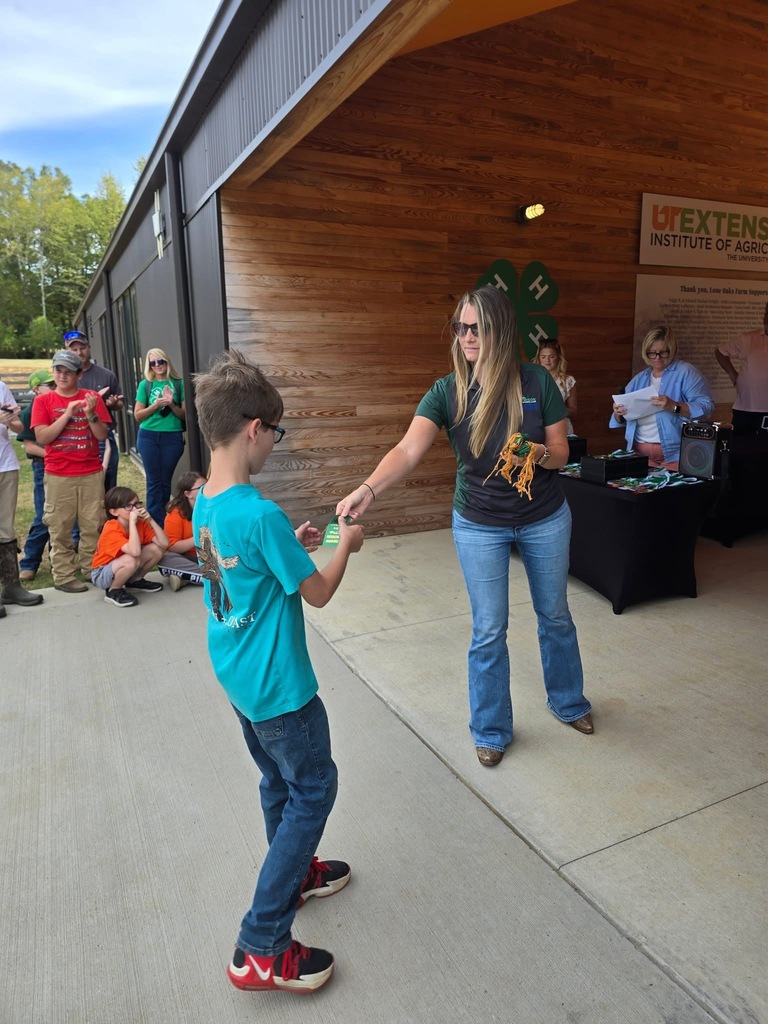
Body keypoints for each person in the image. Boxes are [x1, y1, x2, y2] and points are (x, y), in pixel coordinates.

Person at [337, 284, 593, 769]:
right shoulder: (448, 391)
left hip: (544, 518)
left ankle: (568, 701)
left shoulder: (537, 382)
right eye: (460, 327)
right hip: (479, 524)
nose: (466, 337)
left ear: (500, 330)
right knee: (489, 628)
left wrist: (538, 453)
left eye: (476, 327)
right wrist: (367, 490)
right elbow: (407, 450)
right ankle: (491, 729)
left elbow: (562, 453)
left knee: (555, 615)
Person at [192, 349, 364, 994]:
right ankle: (260, 946)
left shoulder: (209, 503)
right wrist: (343, 543)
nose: (274, 445)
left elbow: (240, 576)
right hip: (282, 692)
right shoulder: (256, 512)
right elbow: (316, 592)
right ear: (254, 429)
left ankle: (295, 874)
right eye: (276, 432)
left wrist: (291, 542)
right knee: (314, 788)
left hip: (241, 682)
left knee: (278, 784)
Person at [31, 351, 110, 594]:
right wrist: (67, 413)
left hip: (89, 472)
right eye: (58, 370)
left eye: (68, 371)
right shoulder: (43, 401)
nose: (62, 375)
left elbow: (101, 435)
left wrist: (90, 413)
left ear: (79, 374)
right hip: (58, 474)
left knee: (93, 524)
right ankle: (64, 575)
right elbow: (43, 437)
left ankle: (90, 569)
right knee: (60, 526)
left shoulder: (92, 397)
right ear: (53, 372)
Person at [611, 325, 715, 470]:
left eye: (663, 353)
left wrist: (674, 406)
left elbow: (706, 407)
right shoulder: (639, 379)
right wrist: (618, 413)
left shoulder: (686, 372)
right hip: (640, 454)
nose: (657, 358)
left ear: (671, 350)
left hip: (676, 454)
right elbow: (618, 420)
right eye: (652, 353)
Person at [0, 377, 44, 618]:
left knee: (6, 529)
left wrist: (12, 419)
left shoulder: (1, 387)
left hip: (5, 465)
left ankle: (11, 587)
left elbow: (17, 427)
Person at [63, 330, 124, 490]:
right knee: (82, 485)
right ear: (67, 351)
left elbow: (120, 405)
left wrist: (113, 403)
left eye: (82, 348)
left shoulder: (106, 375)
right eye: (73, 349)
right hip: (76, 435)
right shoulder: (64, 378)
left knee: (108, 481)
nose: (79, 352)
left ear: (89, 348)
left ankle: (109, 514)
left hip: (104, 435)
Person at [91, 486, 168, 607]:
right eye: (128, 506)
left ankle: (134, 582)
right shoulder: (112, 527)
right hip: (101, 573)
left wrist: (150, 520)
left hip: (126, 564)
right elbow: (135, 552)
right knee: (131, 559)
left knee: (156, 550)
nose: (135, 509)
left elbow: (164, 544)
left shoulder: (141, 523)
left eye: (137, 504)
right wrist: (132, 522)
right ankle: (113, 590)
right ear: (114, 512)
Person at [133, 348, 186, 525]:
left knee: (165, 480)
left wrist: (171, 405)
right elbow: (138, 415)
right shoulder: (145, 385)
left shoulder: (179, 384)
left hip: (172, 437)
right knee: (154, 481)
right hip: (148, 436)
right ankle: (156, 523)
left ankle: (162, 521)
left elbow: (185, 415)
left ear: (166, 362)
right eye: (153, 363)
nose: (157, 365)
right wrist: (155, 405)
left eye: (160, 361)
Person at [16, 370, 56, 581]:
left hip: (62, 468)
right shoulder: (29, 412)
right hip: (43, 466)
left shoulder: (59, 406)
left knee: (64, 517)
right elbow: (30, 447)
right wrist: (53, 454)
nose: (54, 386)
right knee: (43, 516)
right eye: (49, 384)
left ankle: (57, 560)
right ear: (36, 389)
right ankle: (29, 562)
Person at [715, 303, 768, 436]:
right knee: (742, 450)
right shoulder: (748, 338)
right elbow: (721, 352)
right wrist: (732, 374)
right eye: (767, 312)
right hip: (745, 408)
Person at [158, 470, 206, 591]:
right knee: (165, 559)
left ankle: (185, 577)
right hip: (186, 558)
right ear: (188, 493)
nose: (206, 489)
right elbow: (172, 546)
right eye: (201, 487)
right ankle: (214, 578)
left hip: (209, 555)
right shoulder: (175, 513)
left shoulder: (212, 507)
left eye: (207, 485)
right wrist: (198, 536)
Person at [534, 339, 577, 435]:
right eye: (543, 357)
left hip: (562, 429)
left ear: (558, 357)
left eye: (551, 357)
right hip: (537, 428)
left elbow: (573, 410)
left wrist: (556, 410)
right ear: (539, 358)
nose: (547, 360)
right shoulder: (532, 379)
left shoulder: (568, 380)